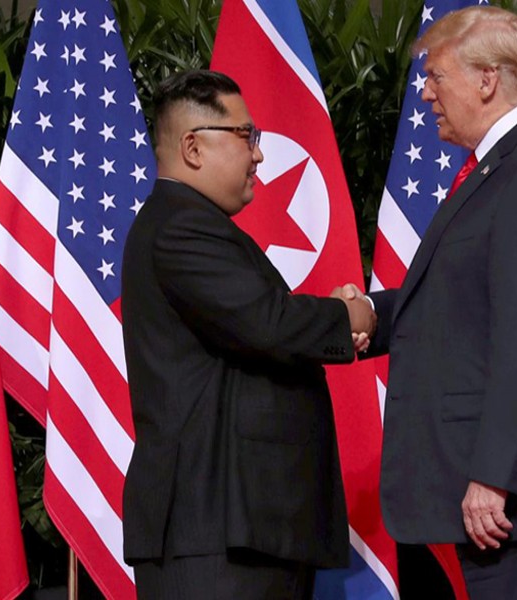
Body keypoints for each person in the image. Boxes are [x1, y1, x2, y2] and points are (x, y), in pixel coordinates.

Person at [348, 6, 517, 598]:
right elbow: (455, 304)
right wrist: (368, 315)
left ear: (488, 79)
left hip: (506, 507)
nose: (426, 94)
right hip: (469, 499)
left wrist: (494, 474)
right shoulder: (497, 169)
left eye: (436, 77)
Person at [120, 70, 375, 599]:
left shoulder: (191, 223)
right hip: (214, 531)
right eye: (246, 136)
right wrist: (346, 316)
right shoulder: (180, 227)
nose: (258, 155)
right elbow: (270, 324)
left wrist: (370, 313)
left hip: (238, 528)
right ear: (193, 147)